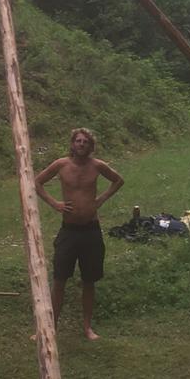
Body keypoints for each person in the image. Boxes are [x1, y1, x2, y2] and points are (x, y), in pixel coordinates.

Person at [34, 128, 124, 341]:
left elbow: (118, 180)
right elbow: (37, 182)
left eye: (85, 142)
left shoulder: (97, 166)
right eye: (78, 141)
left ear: (91, 146)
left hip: (91, 231)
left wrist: (101, 199)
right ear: (72, 144)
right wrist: (54, 203)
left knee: (89, 281)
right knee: (59, 280)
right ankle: (50, 327)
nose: (82, 144)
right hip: (69, 232)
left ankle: (87, 327)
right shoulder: (61, 164)